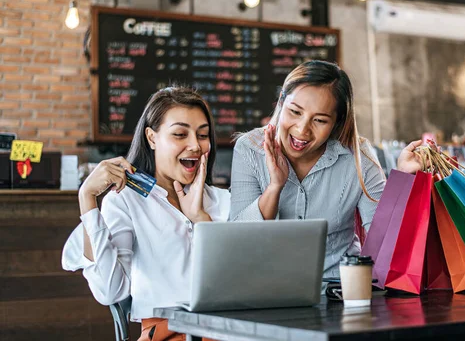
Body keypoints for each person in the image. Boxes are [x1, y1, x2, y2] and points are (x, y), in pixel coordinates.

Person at [229, 60, 422, 282]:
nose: (303, 130)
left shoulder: (357, 155)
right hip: (269, 290)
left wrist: (404, 178)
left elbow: (385, 239)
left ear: (337, 122)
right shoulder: (249, 149)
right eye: (295, 112)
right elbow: (239, 242)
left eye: (319, 120)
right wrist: (274, 187)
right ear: (281, 101)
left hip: (339, 292)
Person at [62, 86, 230, 341]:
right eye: (180, 134)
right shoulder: (126, 201)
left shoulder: (223, 200)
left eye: (203, 135)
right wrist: (87, 198)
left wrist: (201, 220)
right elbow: (109, 291)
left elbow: (239, 283)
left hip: (232, 329)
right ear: (152, 138)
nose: (195, 145)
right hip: (167, 332)